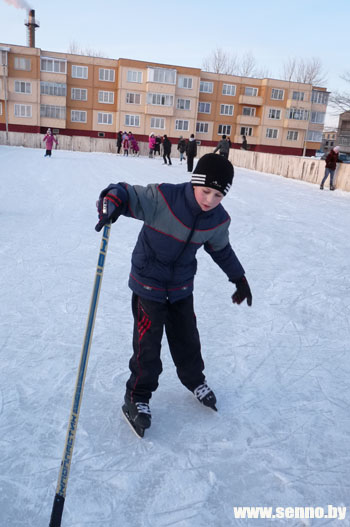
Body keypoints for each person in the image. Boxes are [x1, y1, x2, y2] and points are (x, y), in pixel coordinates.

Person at [95, 153, 252, 435]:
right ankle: (137, 397)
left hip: (181, 286)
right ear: (195, 182)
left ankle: (195, 380)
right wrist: (114, 198)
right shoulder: (164, 198)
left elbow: (221, 250)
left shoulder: (217, 219)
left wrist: (239, 278)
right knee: (148, 346)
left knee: (187, 338)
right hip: (148, 284)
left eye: (218, 195)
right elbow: (127, 194)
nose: (210, 200)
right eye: (206, 191)